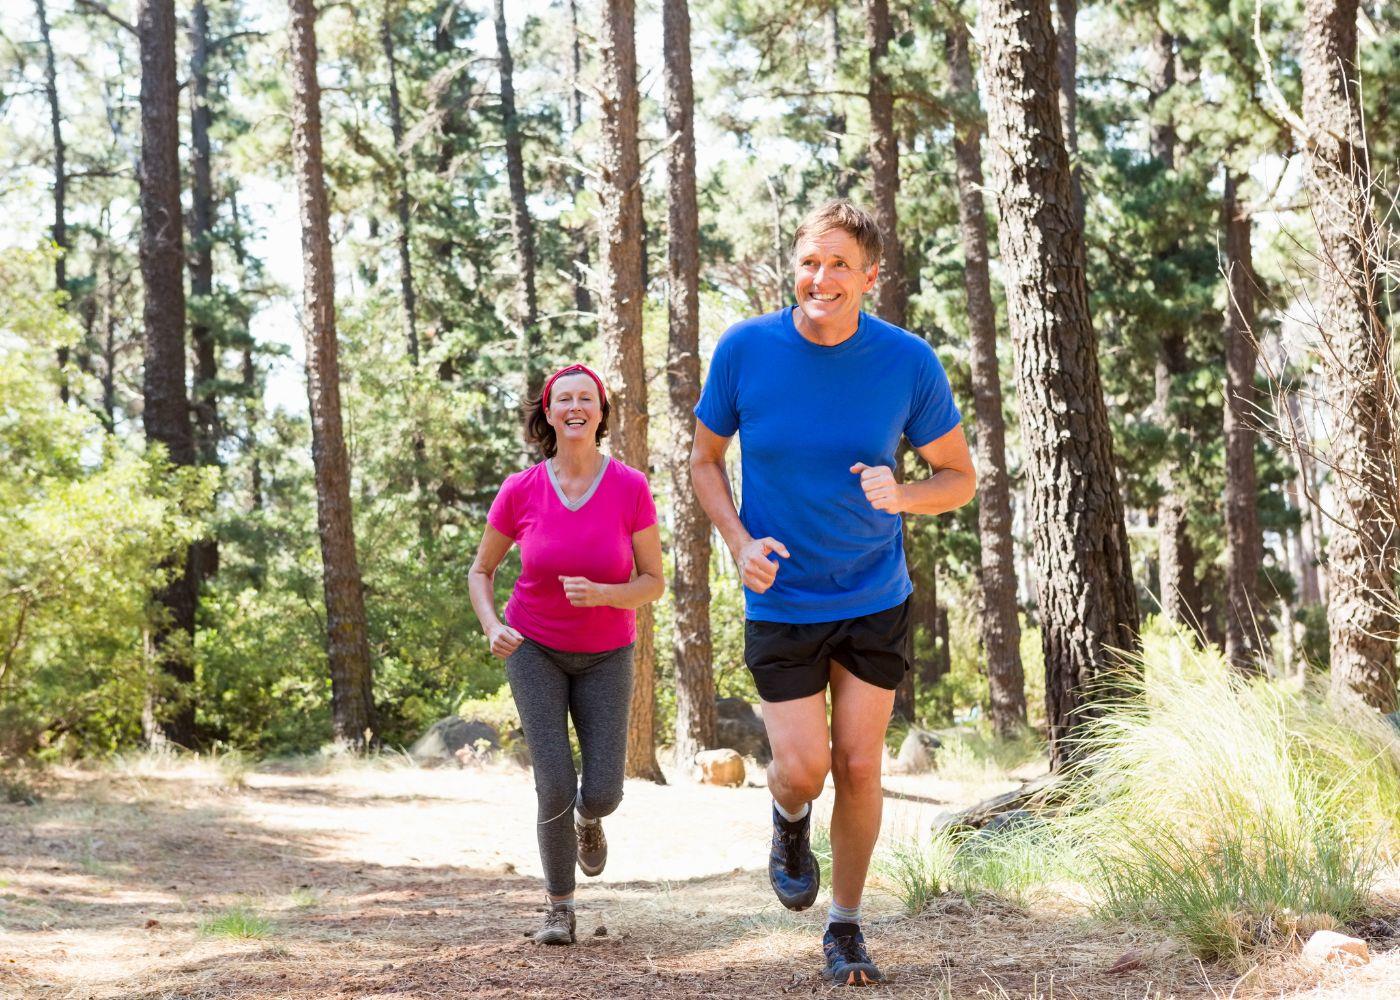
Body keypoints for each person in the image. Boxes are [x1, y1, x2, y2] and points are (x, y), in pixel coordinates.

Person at [690, 201, 976, 986]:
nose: (822, 278)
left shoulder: (907, 361)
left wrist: (902, 494)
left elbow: (959, 477)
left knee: (858, 765)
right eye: (810, 263)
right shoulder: (746, 349)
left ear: (870, 277)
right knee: (803, 768)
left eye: (840, 265)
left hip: (873, 594)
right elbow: (705, 461)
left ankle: (845, 927)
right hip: (781, 595)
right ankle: (789, 819)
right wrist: (739, 543)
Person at [469, 363, 664, 946]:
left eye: (586, 399)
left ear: (600, 413)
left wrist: (605, 594)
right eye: (564, 400)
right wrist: (492, 625)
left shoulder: (629, 486)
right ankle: (560, 908)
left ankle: (588, 819)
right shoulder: (520, 489)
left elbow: (653, 582)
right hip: (534, 649)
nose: (575, 407)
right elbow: (481, 570)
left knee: (602, 792)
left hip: (607, 653)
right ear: (549, 414)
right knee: (553, 782)